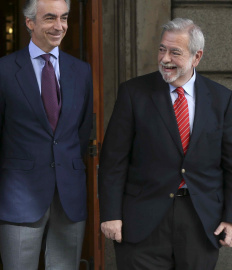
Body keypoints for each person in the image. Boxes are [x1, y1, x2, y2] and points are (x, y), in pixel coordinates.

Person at [99, 18, 232, 269]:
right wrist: (111, 215)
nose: (165, 58)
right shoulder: (133, 92)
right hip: (142, 221)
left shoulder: (222, 99)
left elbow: (230, 164)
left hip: (200, 222)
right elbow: (113, 161)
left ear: (197, 57)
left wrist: (230, 218)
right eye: (162, 49)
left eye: (175, 52)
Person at [0, 0, 93, 269]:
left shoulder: (81, 71)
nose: (59, 26)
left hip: (69, 194)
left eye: (64, 18)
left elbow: (81, 132)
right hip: (18, 196)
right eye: (50, 18)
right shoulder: (3, 71)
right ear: (30, 22)